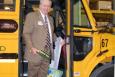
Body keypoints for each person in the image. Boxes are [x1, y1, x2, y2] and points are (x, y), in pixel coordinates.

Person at [23, 0, 55, 77]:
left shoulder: (51, 19)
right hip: (35, 52)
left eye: (48, 6)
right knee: (33, 74)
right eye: (44, 5)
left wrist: (59, 39)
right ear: (40, 5)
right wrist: (31, 47)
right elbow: (26, 33)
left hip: (47, 52)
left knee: (43, 74)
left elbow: (50, 33)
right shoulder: (32, 16)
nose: (46, 8)